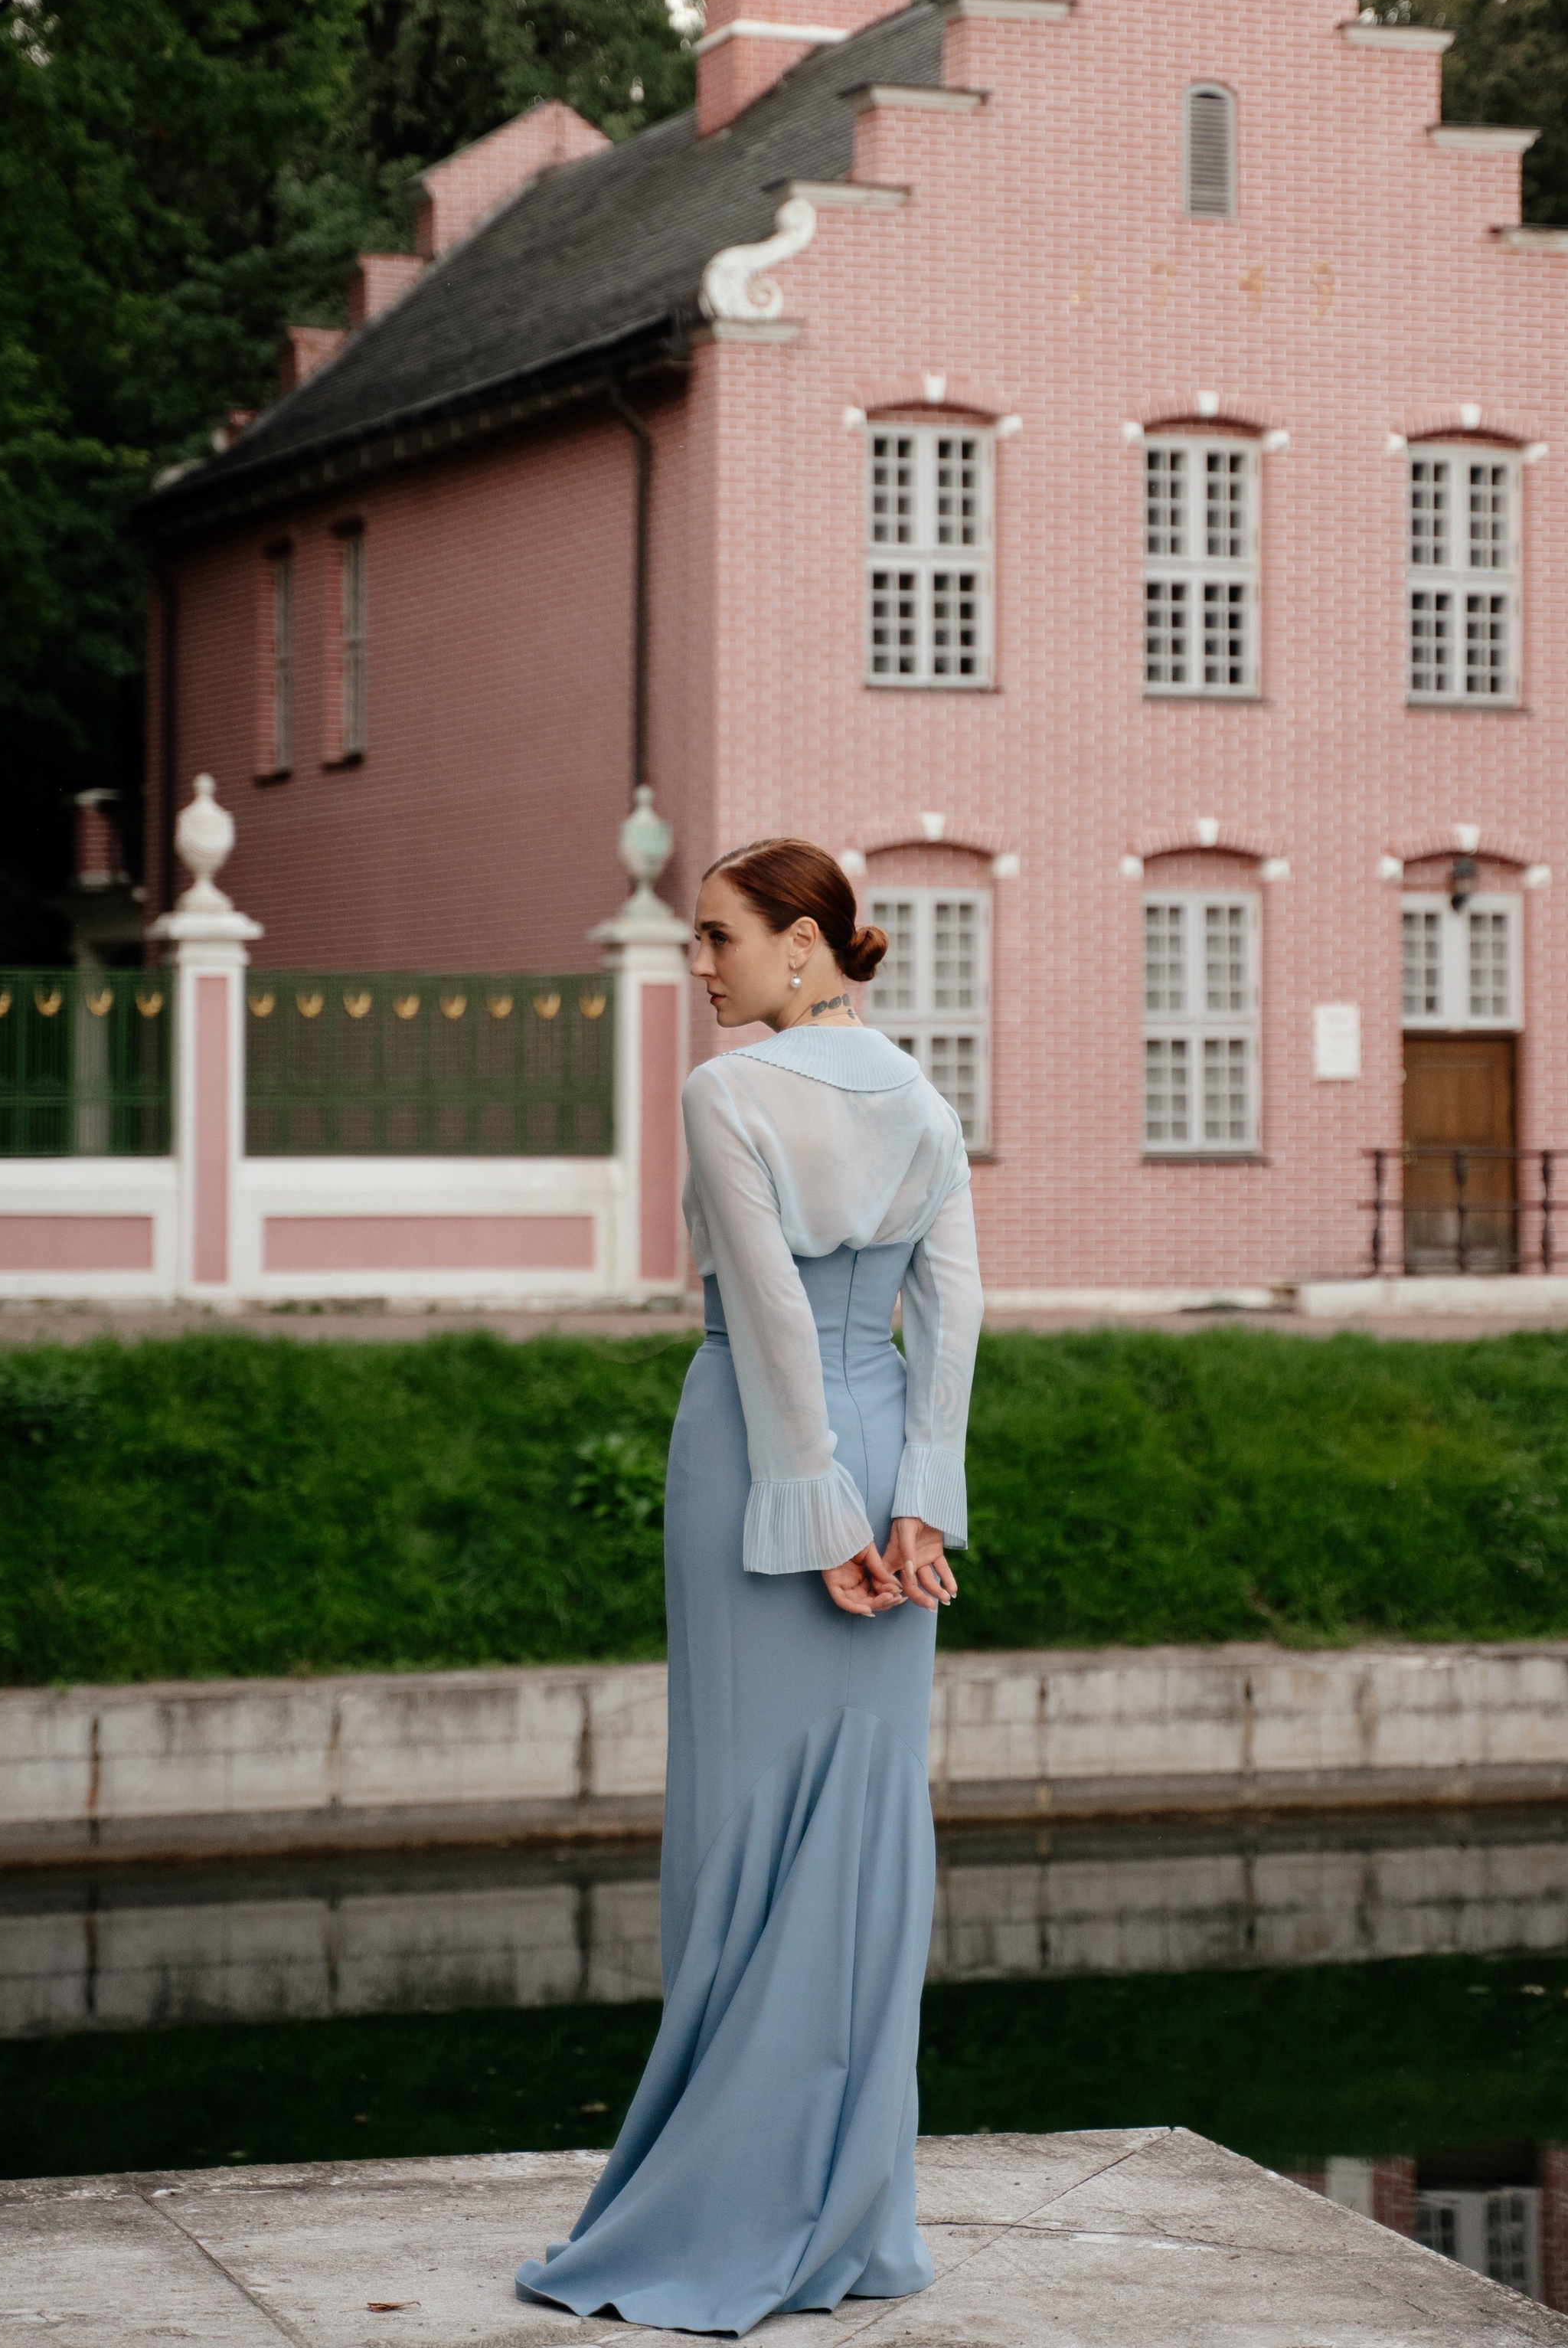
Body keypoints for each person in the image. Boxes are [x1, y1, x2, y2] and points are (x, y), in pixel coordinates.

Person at [518, 836, 982, 2335]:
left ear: (803, 945)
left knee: (738, 1834)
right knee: (858, 1830)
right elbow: (951, 1310)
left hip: (755, 1455)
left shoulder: (724, 1094)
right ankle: (849, 2219)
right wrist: (919, 1504)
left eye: (716, 937)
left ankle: (721, 2213)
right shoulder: (923, 1098)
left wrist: (822, 1510)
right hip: (867, 1444)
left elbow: (770, 1314)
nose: (695, 964)